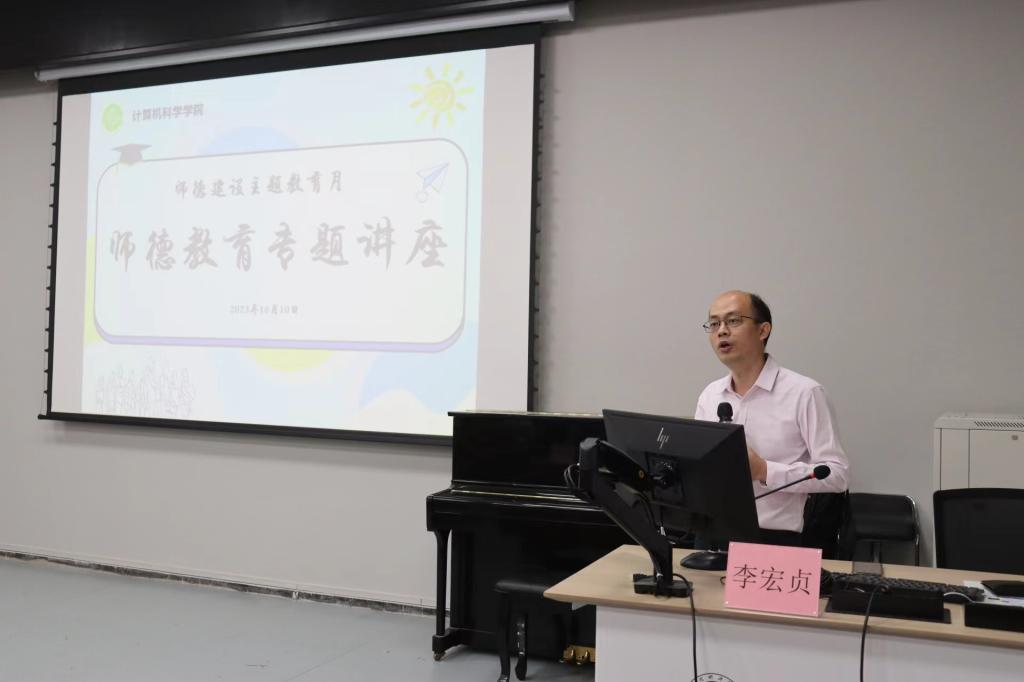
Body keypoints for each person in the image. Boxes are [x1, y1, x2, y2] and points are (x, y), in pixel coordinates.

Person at [695, 290, 849, 546]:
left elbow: (837, 475)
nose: (721, 331)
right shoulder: (710, 395)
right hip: (711, 535)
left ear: (763, 330)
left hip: (774, 541)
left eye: (733, 321)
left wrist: (765, 471)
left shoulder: (804, 393)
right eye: (714, 323)